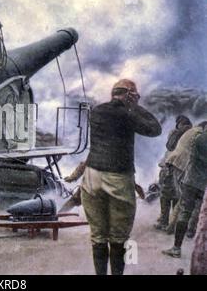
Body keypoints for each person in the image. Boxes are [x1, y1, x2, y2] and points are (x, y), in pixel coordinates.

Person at [80, 79, 161, 275]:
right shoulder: (128, 113)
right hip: (118, 178)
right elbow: (155, 129)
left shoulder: (97, 111)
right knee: (119, 237)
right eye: (135, 94)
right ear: (130, 94)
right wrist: (135, 105)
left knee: (98, 236)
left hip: (91, 176)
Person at [163, 123, 207, 258]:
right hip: (204, 185)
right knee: (202, 215)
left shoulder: (199, 138)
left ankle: (176, 248)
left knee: (184, 212)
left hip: (191, 180)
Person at [154, 115, 192, 231]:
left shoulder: (177, 133)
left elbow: (169, 146)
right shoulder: (192, 134)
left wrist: (174, 133)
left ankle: (164, 222)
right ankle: (172, 222)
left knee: (165, 196)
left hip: (170, 167)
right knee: (177, 196)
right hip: (184, 169)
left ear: (179, 123)